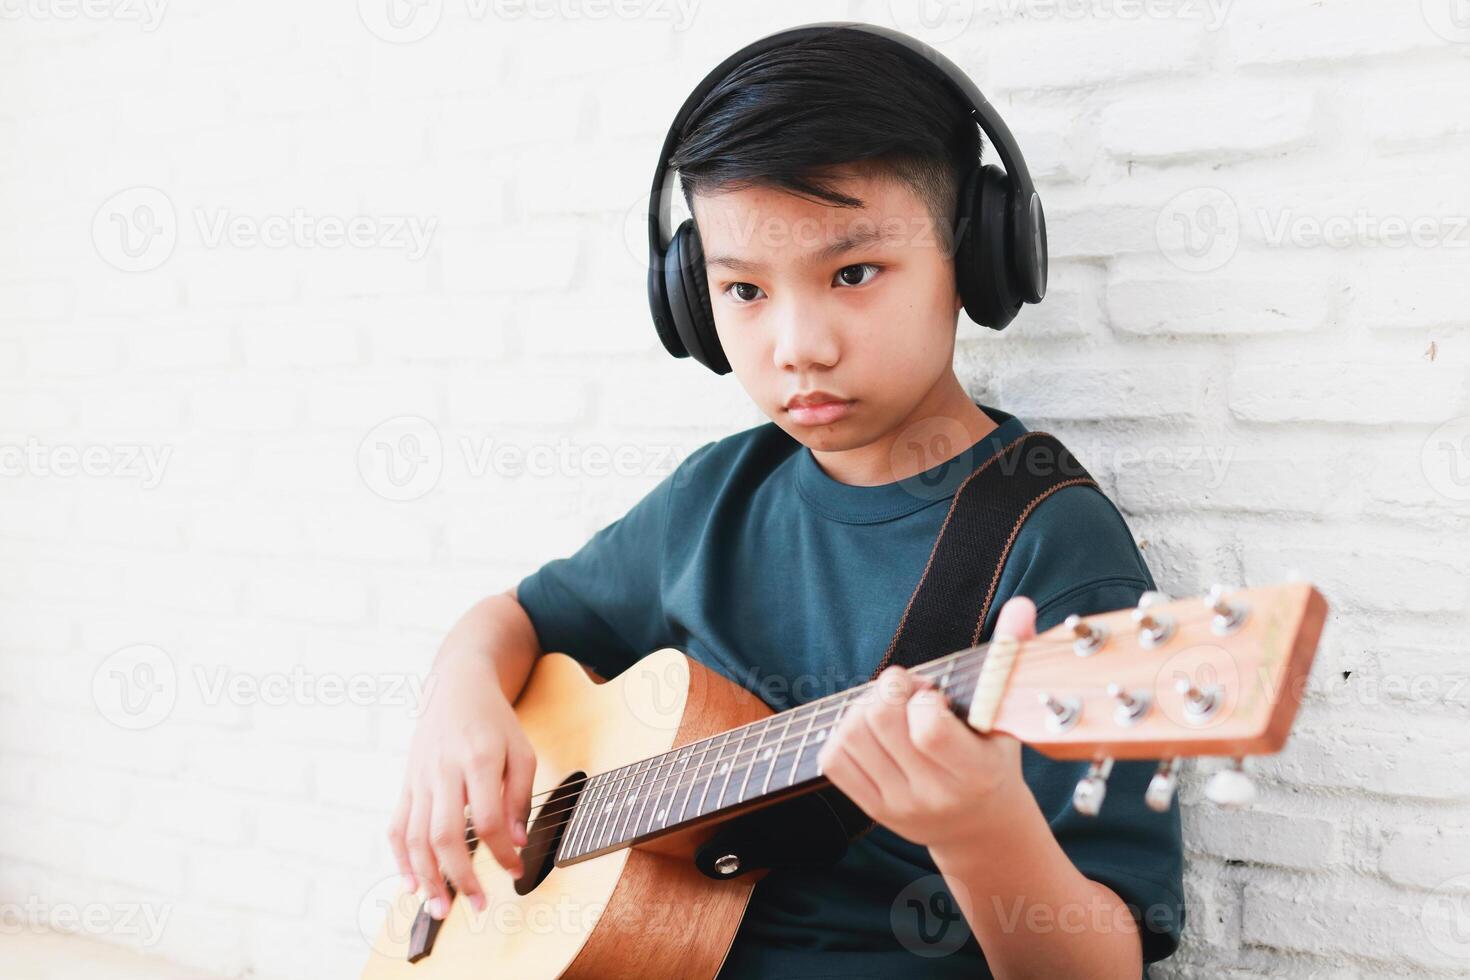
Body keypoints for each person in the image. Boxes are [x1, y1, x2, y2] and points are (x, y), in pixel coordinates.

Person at [387, 24, 1185, 978]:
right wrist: (459, 698)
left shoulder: (1048, 550)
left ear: (973, 262)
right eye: (745, 290)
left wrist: (979, 830)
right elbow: (514, 618)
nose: (797, 344)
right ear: (692, 297)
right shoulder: (720, 494)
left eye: (853, 274)